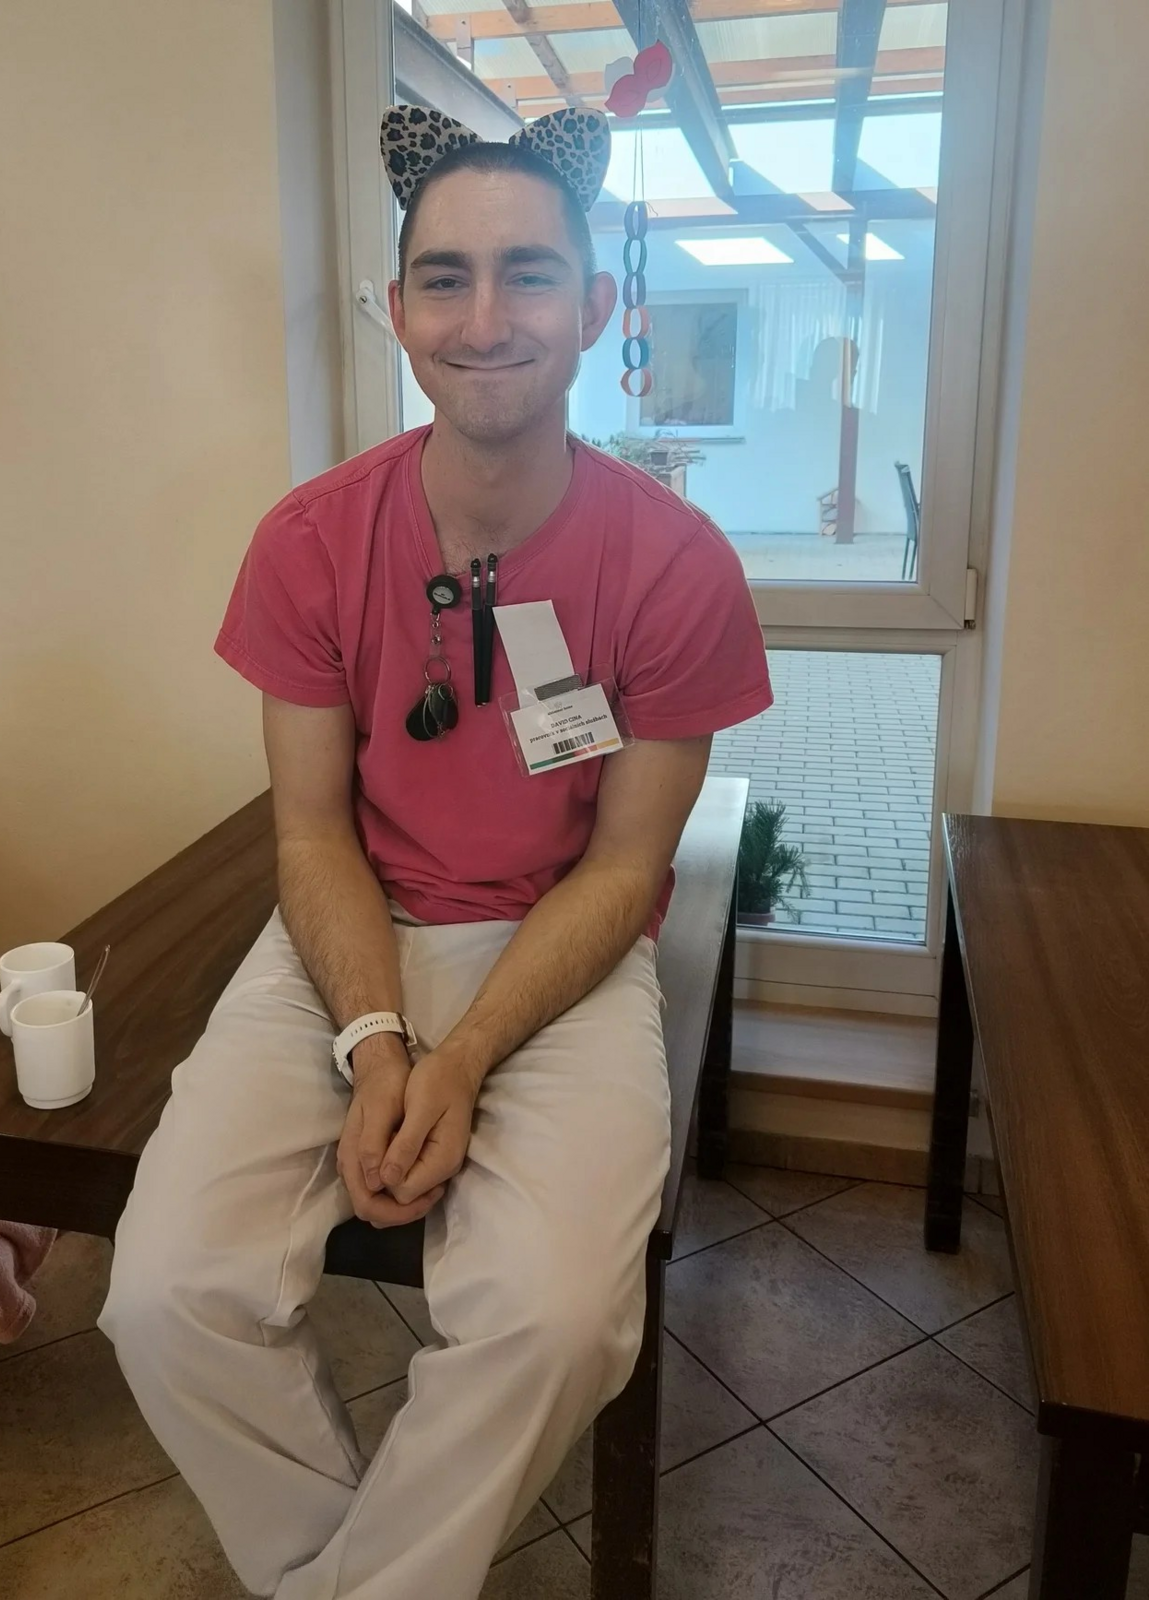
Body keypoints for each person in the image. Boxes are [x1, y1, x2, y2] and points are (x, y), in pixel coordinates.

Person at [100, 104, 773, 1600]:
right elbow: (307, 826)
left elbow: (622, 872)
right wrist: (375, 1034)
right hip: (346, 935)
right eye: (445, 278)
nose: (485, 318)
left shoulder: (675, 567)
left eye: (529, 273)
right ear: (397, 310)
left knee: (553, 1320)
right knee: (164, 1295)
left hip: (562, 947)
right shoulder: (309, 542)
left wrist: (457, 1059)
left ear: (594, 306)